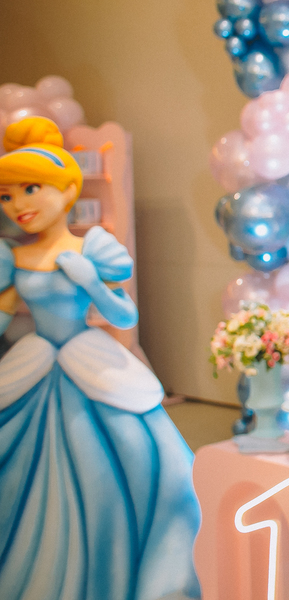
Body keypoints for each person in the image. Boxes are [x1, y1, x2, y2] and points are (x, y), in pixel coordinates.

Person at [0, 116, 201, 599]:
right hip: (33, 364)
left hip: (85, 358)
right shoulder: (12, 257)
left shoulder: (92, 247)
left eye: (31, 188)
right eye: (7, 196)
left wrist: (90, 280)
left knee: (122, 459)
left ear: (67, 190)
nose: (19, 205)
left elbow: (123, 315)